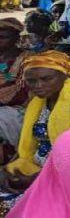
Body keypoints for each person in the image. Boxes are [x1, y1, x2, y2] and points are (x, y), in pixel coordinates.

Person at [0, 51, 70, 213]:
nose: (38, 86)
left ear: (64, 75)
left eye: (46, 79)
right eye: (32, 81)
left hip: (68, 177)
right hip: (33, 167)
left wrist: (38, 179)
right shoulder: (38, 102)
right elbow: (27, 145)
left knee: (9, 207)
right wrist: (8, 168)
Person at [0, 19, 31, 160]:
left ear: (16, 38)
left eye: (3, 37)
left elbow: (22, 90)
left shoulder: (28, 59)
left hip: (16, 107)